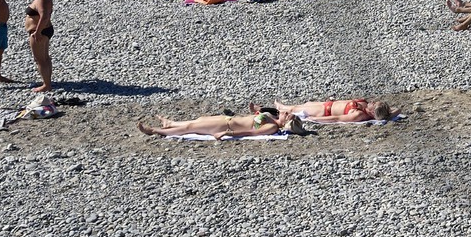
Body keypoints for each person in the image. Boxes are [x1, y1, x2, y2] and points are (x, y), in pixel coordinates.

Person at [138, 111, 295, 138]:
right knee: (198, 121)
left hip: (226, 127)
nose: (285, 112)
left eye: (287, 115)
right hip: (226, 119)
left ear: (285, 122)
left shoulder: (272, 127)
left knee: (190, 129)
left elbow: (250, 132)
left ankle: (154, 130)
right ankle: (170, 123)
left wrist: (226, 133)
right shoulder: (270, 117)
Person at [23, 0, 55, 93]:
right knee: (45, 58)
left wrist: (37, 32)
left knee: (40, 59)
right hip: (45, 29)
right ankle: (48, 82)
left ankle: (46, 85)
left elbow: (44, 16)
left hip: (39, 31)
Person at [272, 97, 395, 124]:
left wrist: (315, 119)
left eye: (374, 104)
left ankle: (280, 108)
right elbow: (397, 110)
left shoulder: (358, 115)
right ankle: (281, 108)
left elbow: (337, 118)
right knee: (306, 104)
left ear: (373, 112)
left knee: (295, 109)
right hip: (327, 104)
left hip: (324, 111)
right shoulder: (365, 106)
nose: (372, 102)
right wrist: (388, 114)